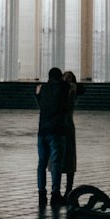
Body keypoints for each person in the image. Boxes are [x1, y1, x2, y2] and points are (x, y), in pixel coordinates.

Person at [35, 67, 68, 208]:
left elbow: (40, 105)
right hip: (56, 131)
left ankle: (41, 193)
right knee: (56, 164)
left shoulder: (42, 89)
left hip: (42, 131)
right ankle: (55, 194)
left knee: (42, 163)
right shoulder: (62, 88)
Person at [61, 70, 85, 199]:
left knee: (69, 158)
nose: (66, 79)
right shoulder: (60, 90)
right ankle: (59, 190)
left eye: (69, 77)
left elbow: (69, 104)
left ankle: (68, 189)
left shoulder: (72, 90)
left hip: (67, 127)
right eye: (64, 77)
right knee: (60, 159)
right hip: (61, 126)